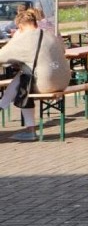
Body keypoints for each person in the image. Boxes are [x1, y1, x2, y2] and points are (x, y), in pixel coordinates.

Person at [0, 9, 71, 141]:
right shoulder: (48, 33)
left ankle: (27, 127)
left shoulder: (24, 37)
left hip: (47, 82)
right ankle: (3, 106)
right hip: (64, 80)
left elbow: (2, 57)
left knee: (23, 83)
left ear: (20, 26)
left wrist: (15, 38)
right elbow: (62, 50)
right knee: (23, 77)